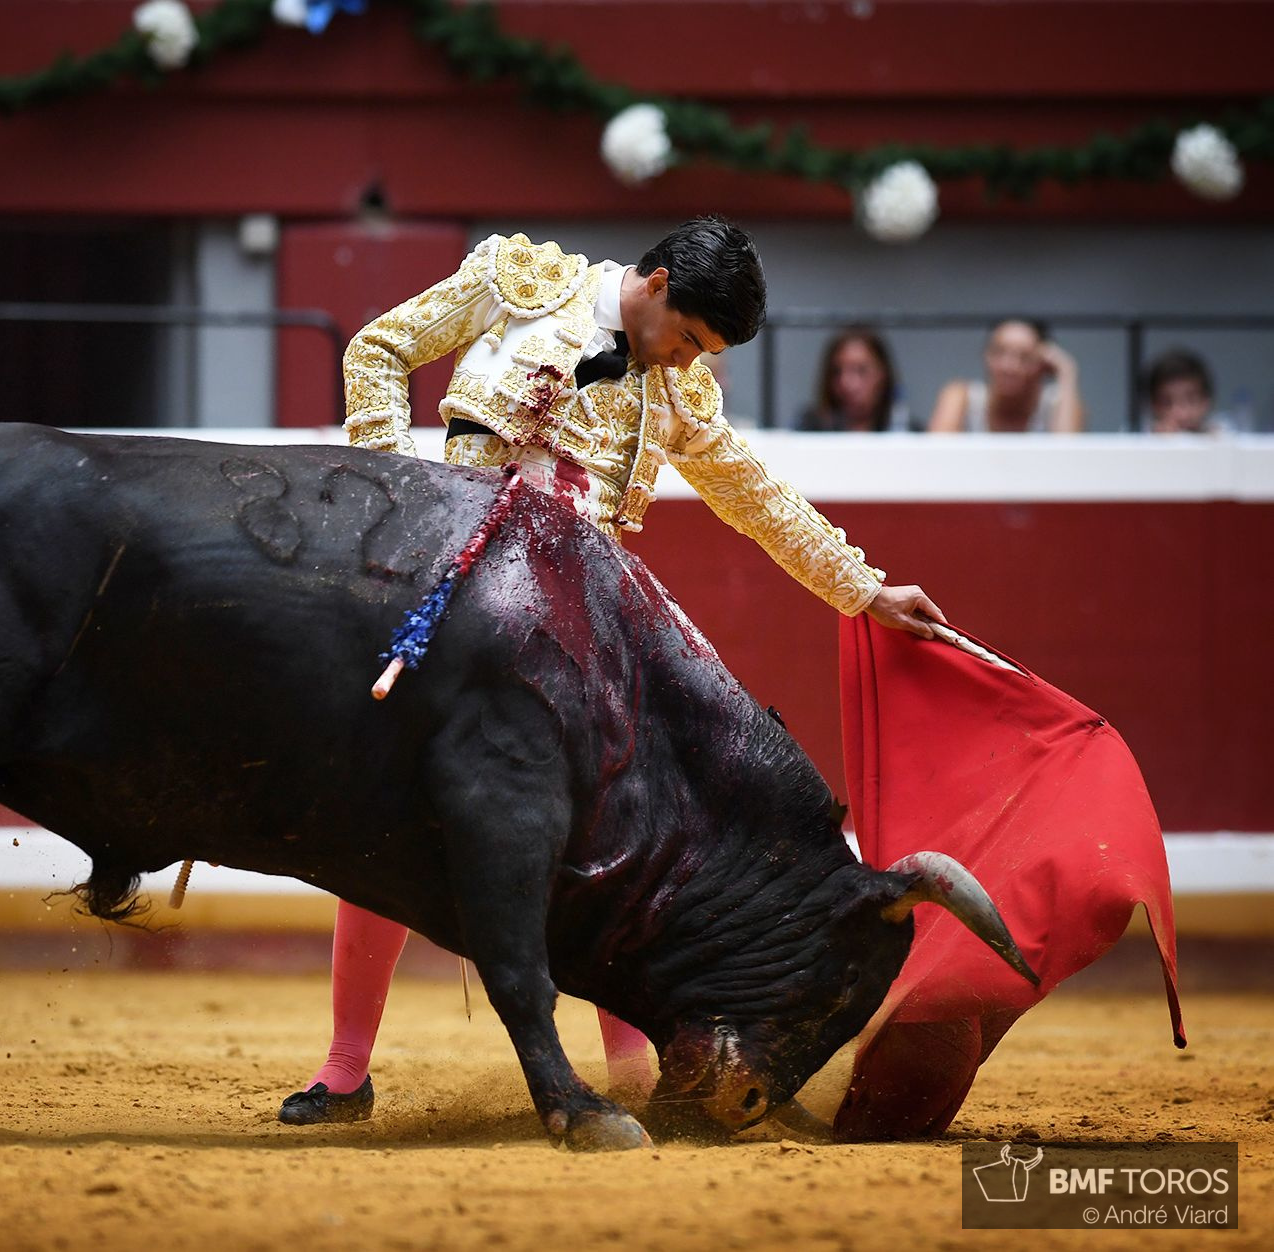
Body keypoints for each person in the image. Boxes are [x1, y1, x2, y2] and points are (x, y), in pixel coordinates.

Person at [281, 218, 946, 1127]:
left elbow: (756, 498)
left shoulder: (680, 394)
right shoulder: (518, 283)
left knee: (606, 851)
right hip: (458, 600)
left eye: (703, 354)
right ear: (658, 282)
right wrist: (402, 498)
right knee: (390, 831)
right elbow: (379, 349)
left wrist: (863, 589)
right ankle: (346, 1069)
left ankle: (630, 1079)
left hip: (574, 634)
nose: (685, 363)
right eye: (688, 338)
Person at [927, 318, 1084, 434]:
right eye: (999, 352)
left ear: (1043, 363)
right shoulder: (962, 396)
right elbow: (938, 453)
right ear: (986, 355)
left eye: (1024, 357)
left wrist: (1067, 372)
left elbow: (1069, 456)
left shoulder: (1056, 403)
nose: (1009, 366)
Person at [796, 326, 914, 432]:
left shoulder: (907, 433)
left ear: (883, 375)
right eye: (837, 372)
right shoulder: (809, 429)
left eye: (861, 370)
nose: (846, 383)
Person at [1144, 347, 1232, 434]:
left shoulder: (1224, 435)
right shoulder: (1142, 439)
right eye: (1167, 403)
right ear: (1153, 405)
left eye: (1191, 400)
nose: (1181, 414)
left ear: (1207, 401)